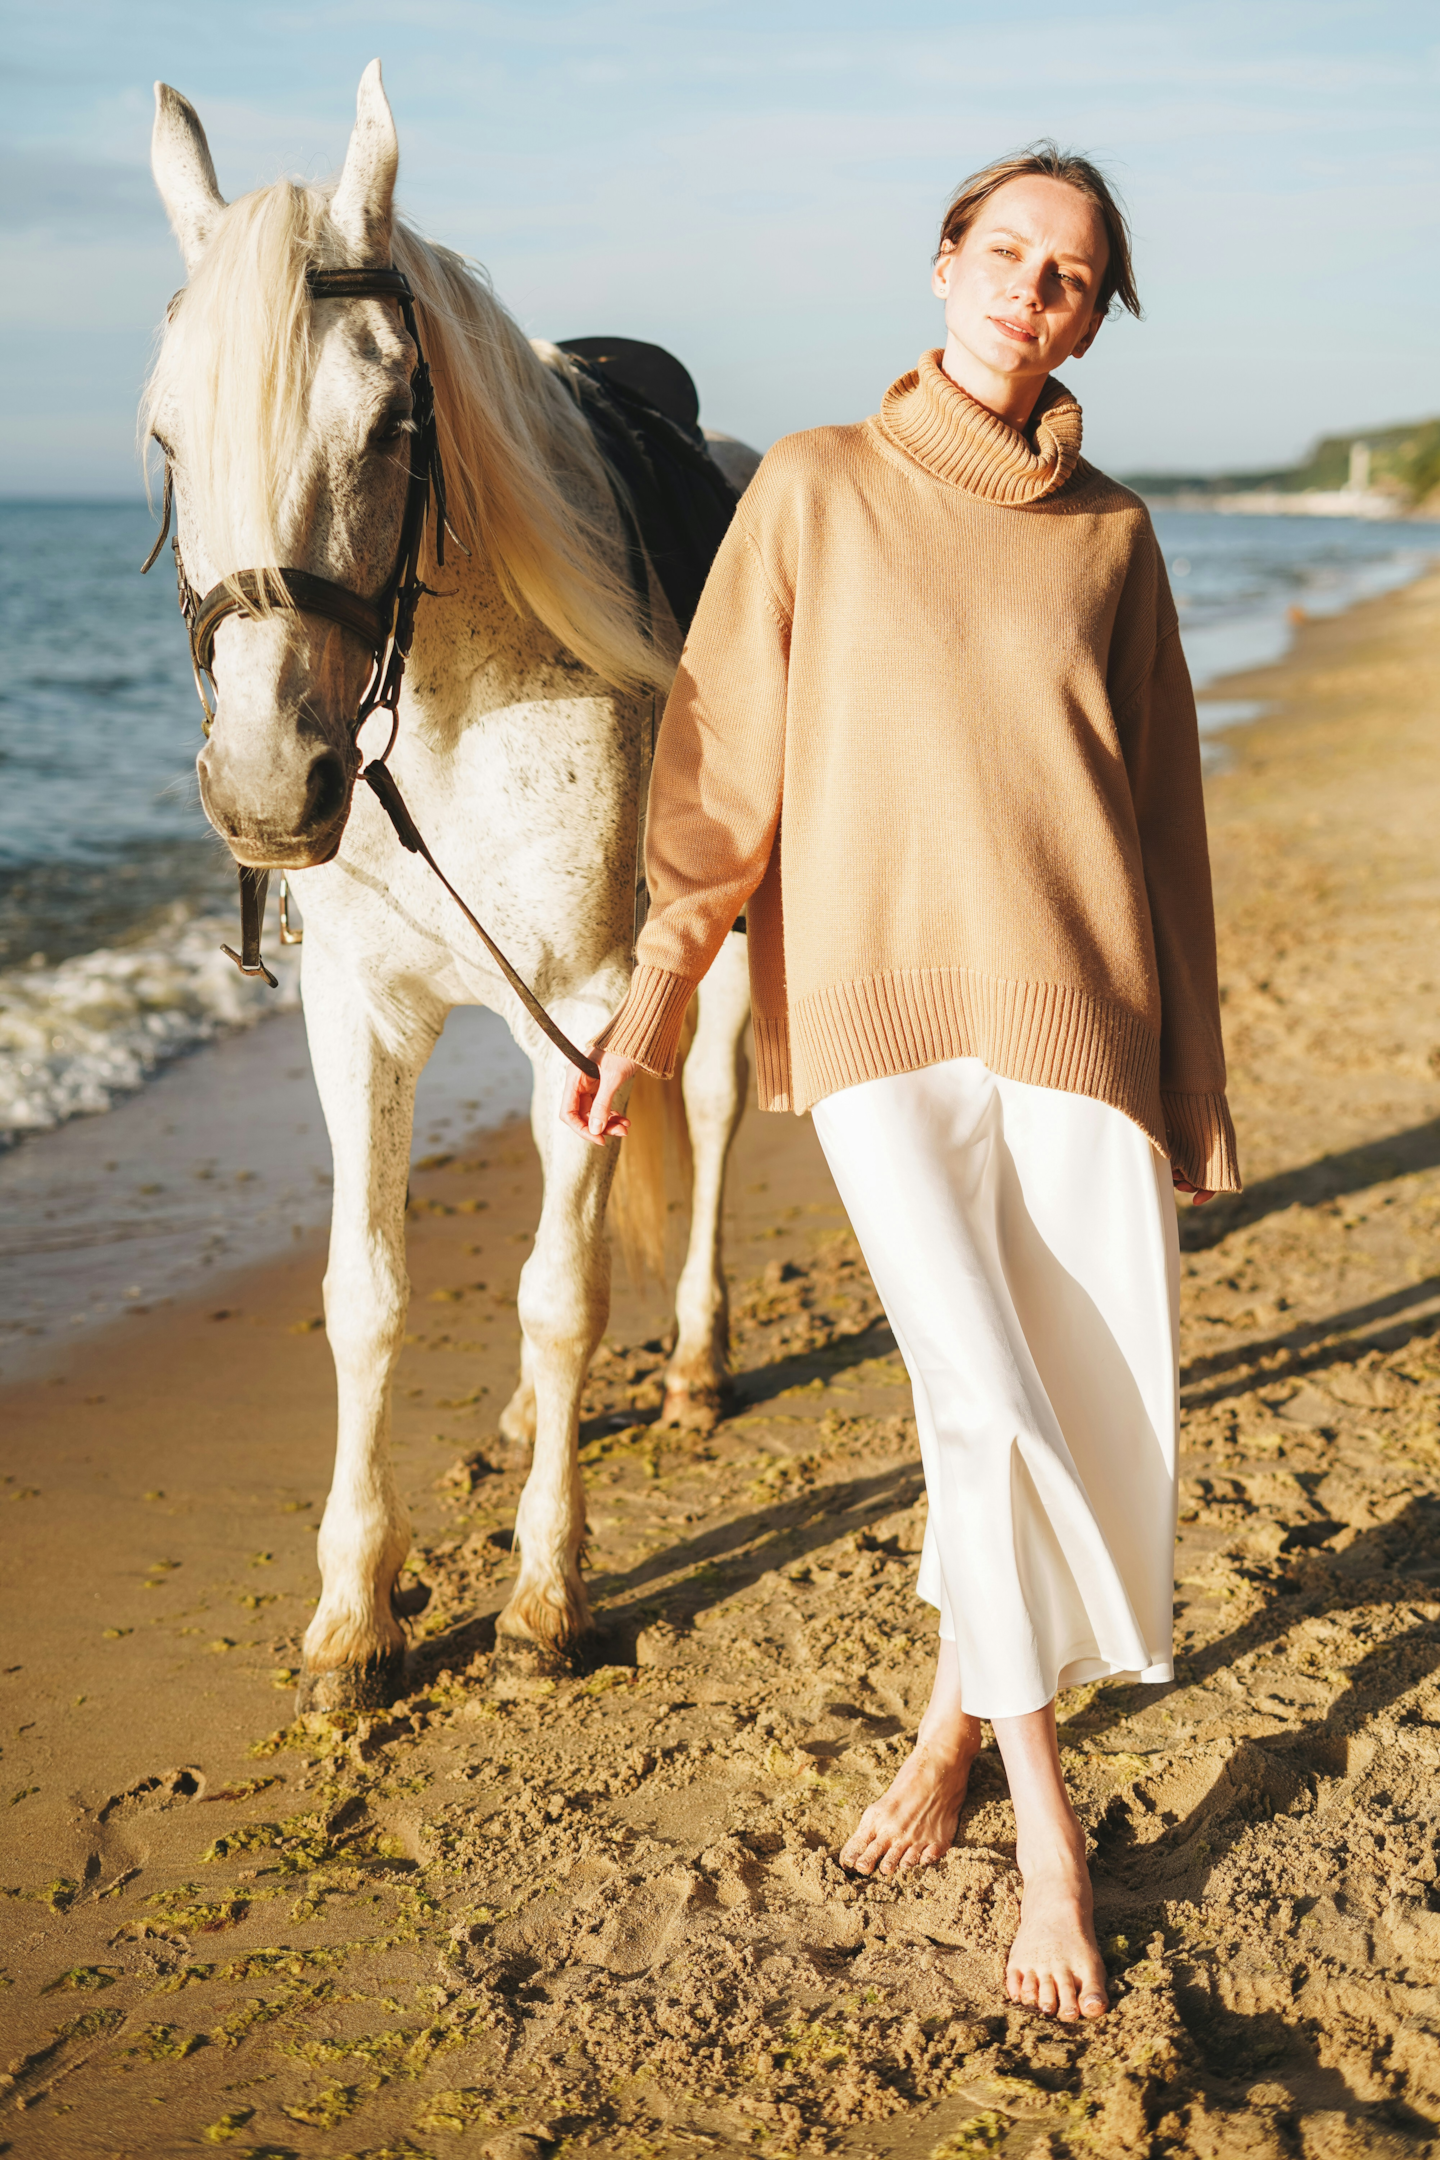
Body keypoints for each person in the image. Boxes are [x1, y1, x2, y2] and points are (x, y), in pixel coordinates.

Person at [561, 142, 1240, 2025]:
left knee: (1084, 1416)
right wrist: (643, 1010)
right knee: (989, 1401)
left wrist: (1195, 1078)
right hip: (873, 1021)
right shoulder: (815, 491)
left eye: (1073, 275)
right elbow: (715, 782)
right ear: (944, 266)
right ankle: (1049, 1834)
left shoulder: (1115, 538)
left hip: (1087, 1015)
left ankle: (950, 1725)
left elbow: (1163, 819)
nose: (1035, 292)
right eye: (1007, 253)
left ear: (1095, 314)